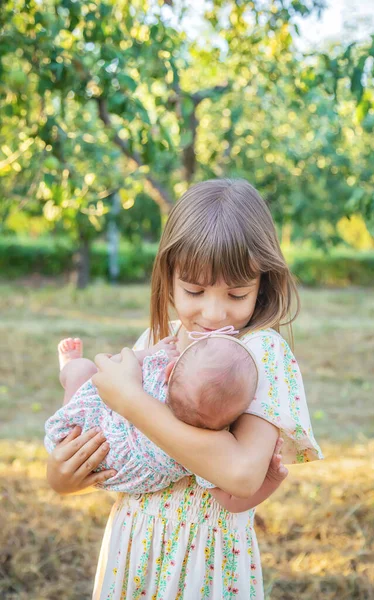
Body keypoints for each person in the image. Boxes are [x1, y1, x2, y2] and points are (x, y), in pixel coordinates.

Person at [46, 179, 323, 599]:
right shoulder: (156, 342)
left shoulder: (259, 354)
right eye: (194, 291)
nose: (213, 313)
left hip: (206, 566)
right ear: (168, 277)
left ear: (263, 284)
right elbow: (109, 446)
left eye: (236, 293)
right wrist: (63, 476)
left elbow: (240, 474)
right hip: (133, 548)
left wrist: (133, 401)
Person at [45, 330, 287, 507]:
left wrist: (151, 353)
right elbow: (232, 501)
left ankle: (70, 366)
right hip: (114, 470)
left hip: (82, 439)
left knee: (81, 370)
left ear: (169, 369)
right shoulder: (205, 446)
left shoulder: (154, 376)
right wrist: (272, 481)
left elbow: (113, 366)